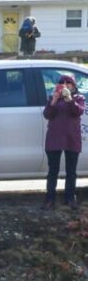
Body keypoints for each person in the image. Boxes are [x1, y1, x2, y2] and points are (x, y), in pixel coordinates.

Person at [42, 74, 85, 210]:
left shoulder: (79, 98)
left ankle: (70, 198)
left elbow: (78, 112)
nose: (65, 85)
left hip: (71, 138)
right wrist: (54, 100)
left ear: (73, 85)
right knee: (52, 171)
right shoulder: (53, 97)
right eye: (62, 83)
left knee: (71, 171)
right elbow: (47, 114)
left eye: (68, 82)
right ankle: (50, 199)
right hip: (54, 138)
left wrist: (69, 99)